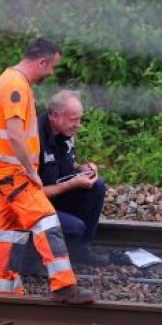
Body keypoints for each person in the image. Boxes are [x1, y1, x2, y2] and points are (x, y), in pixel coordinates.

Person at [0, 37, 95, 304]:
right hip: (13, 171)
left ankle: (6, 290)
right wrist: (32, 171)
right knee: (46, 220)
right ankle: (64, 286)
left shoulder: (11, 81)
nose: (51, 72)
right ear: (41, 62)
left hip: (4, 170)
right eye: (52, 66)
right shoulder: (15, 87)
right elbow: (16, 136)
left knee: (11, 230)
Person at [37, 90, 109, 266]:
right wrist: (73, 183)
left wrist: (81, 169)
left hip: (55, 196)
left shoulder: (65, 132)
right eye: (73, 119)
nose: (78, 125)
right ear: (55, 116)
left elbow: (65, 163)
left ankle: (81, 251)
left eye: (79, 119)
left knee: (97, 186)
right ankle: (41, 258)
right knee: (75, 227)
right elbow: (32, 194)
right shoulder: (34, 138)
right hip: (35, 206)